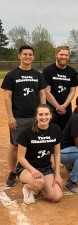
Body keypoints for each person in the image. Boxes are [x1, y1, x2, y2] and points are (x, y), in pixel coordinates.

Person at [1, 45, 47, 187]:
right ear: (19, 56)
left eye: (30, 54)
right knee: (15, 145)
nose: (28, 56)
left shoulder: (38, 75)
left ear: (33, 57)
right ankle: (13, 172)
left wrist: (43, 113)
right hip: (19, 117)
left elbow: (42, 94)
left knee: (36, 144)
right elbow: (7, 97)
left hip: (35, 117)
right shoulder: (11, 75)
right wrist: (10, 117)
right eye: (25, 54)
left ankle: (33, 169)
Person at [16, 104, 63, 204]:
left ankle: (40, 186)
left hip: (45, 168)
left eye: (46, 114)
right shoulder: (26, 132)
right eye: (40, 114)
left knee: (56, 197)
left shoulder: (56, 129)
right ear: (36, 116)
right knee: (38, 182)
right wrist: (33, 171)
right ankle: (28, 188)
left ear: (51, 115)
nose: (44, 117)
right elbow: (20, 158)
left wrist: (57, 175)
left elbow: (57, 153)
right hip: (26, 168)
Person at [42, 45, 78, 131]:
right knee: (51, 131)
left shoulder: (72, 72)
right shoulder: (48, 70)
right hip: (51, 107)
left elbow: (72, 91)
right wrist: (58, 107)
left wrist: (64, 106)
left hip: (66, 108)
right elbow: (47, 92)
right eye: (61, 54)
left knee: (65, 132)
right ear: (56, 55)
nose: (64, 57)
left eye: (66, 55)